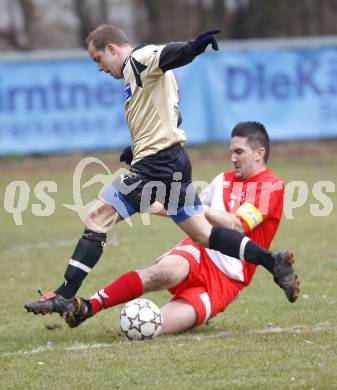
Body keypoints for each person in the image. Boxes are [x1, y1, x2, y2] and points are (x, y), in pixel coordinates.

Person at [24, 25, 299, 316]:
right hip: (171, 160)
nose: (99, 68)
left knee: (98, 216)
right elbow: (172, 115)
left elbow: (168, 54)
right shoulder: (137, 76)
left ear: (112, 48)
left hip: (155, 165)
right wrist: (139, 144)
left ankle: (65, 294)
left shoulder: (138, 59)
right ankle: (273, 261)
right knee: (204, 235)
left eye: (97, 59)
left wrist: (193, 47)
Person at [63, 121, 299, 333]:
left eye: (239, 152)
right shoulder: (222, 180)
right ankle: (88, 307)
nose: (233, 158)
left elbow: (236, 225)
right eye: (231, 152)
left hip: (227, 279)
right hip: (199, 249)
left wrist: (191, 206)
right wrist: (149, 204)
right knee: (161, 273)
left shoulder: (271, 187)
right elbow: (184, 211)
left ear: (260, 153)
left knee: (154, 326)